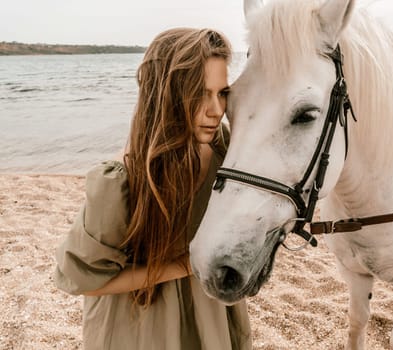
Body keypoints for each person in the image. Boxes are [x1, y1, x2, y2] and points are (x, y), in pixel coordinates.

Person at [54, 28, 252, 350]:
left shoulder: (226, 147)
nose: (215, 110)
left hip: (211, 313)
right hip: (142, 324)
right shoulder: (123, 181)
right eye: (201, 94)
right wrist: (182, 266)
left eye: (222, 93)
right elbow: (83, 280)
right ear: (167, 94)